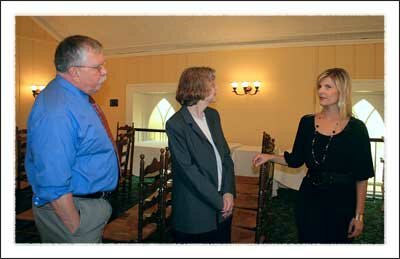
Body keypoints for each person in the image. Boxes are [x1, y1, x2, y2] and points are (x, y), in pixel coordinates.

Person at [253, 68, 374, 243]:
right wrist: (269, 156)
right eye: (319, 86)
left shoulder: (357, 128)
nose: (321, 91)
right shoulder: (307, 122)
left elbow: (362, 176)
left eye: (328, 87)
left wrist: (359, 216)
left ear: (342, 91)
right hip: (310, 197)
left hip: (342, 200)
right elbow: (296, 160)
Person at [25, 35, 119, 243]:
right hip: (72, 212)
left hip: (86, 206)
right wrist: (74, 224)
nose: (105, 72)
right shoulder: (56, 108)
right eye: (98, 67)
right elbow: (52, 178)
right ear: (75, 71)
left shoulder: (76, 98)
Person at [165, 67, 236, 243]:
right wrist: (219, 202)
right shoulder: (176, 124)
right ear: (197, 87)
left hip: (222, 203)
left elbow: (225, 156)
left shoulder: (213, 115)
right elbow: (189, 172)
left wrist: (228, 192)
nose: (217, 88)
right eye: (212, 83)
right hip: (195, 211)